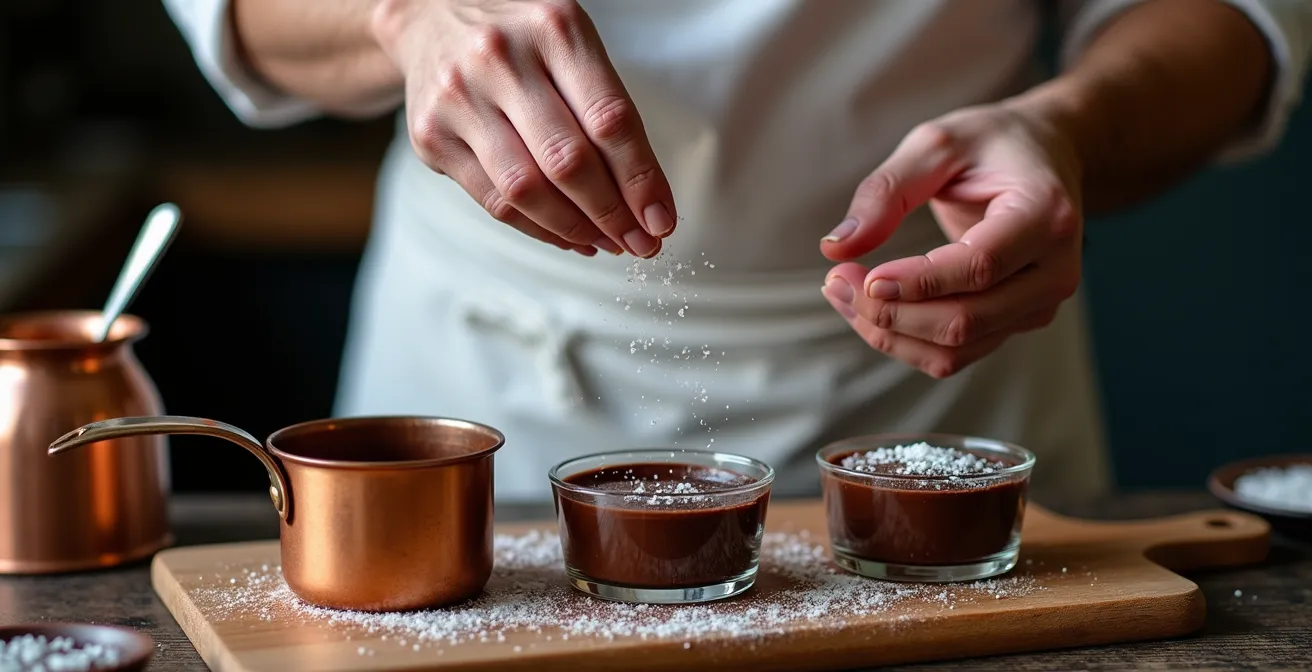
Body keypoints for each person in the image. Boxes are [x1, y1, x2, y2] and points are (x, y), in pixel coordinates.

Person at [161, 0, 1309, 503]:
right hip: (490, 385)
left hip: (939, 381)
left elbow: (1230, 15)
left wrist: (1068, 125)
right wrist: (399, 15)